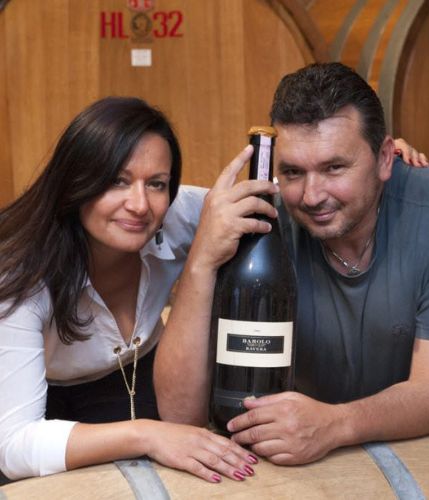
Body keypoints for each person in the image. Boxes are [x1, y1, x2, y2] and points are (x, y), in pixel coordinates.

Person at [154, 62, 429, 467]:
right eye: (293, 172)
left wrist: (336, 424)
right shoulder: (259, 220)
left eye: (334, 167)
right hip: (314, 427)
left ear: (384, 158)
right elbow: (180, 416)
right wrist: (201, 259)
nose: (312, 195)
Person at [0, 96, 262, 482]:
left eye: (156, 184)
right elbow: (14, 446)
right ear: (75, 181)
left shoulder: (181, 214)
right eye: (117, 181)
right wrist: (148, 435)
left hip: (140, 376)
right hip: (41, 399)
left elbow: (280, 218)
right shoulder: (20, 275)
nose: (140, 205)